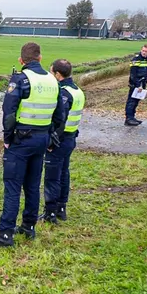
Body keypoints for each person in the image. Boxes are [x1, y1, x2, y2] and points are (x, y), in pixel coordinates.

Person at [0, 42, 65, 247]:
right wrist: (52, 137)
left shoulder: (21, 79)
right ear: (40, 58)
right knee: (32, 185)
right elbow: (60, 115)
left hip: (21, 140)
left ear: (22, 61)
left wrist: (7, 138)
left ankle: (5, 234)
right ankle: (29, 226)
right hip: (42, 139)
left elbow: (9, 112)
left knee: (12, 187)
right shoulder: (52, 80)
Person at [42, 59, 85, 224]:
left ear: (58, 75)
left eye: (52, 72)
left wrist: (52, 142)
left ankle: (50, 213)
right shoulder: (78, 91)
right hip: (71, 138)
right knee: (64, 173)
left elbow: (61, 120)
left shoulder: (64, 93)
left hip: (61, 140)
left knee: (52, 177)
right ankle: (61, 208)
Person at [124, 44, 147, 126]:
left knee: (136, 101)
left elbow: (146, 70)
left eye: (146, 51)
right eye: (143, 50)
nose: (144, 52)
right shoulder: (136, 59)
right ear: (141, 50)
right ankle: (128, 118)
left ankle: (132, 117)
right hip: (135, 84)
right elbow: (133, 74)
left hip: (142, 83)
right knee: (131, 101)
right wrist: (137, 85)